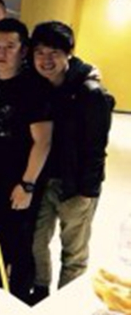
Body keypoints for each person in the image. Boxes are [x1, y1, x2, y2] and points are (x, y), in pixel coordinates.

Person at [29, 21, 114, 303]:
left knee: (73, 252)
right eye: (40, 52)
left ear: (69, 53)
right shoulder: (39, 85)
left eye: (54, 52)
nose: (46, 60)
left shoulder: (90, 91)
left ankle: (66, 303)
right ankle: (41, 291)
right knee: (37, 241)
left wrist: (87, 192)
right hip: (45, 180)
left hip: (76, 185)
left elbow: (96, 148)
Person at [0, 18, 53, 302]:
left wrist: (27, 185)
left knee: (18, 245)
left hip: (20, 180)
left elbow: (43, 141)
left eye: (9, 46)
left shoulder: (34, 87)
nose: (1, 52)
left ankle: (17, 301)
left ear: (24, 51)